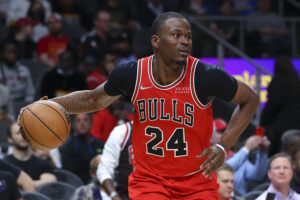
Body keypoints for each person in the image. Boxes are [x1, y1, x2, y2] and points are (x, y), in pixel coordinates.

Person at [22, 12, 259, 199]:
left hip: (197, 181)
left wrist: (223, 146)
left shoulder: (206, 75)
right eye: (176, 35)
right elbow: (93, 99)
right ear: (156, 41)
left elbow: (251, 100)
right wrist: (52, 104)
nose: (185, 41)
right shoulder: (132, 74)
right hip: (150, 182)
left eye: (188, 36)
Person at [260, 57, 300, 156]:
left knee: (278, 155)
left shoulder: (277, 82)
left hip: (280, 129)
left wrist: (263, 121)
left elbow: (273, 104)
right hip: (297, 127)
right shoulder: (297, 82)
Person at [5, 122, 57, 187]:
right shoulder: (4, 164)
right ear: (10, 139)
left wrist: (24, 185)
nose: (23, 135)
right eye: (18, 133)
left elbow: (50, 182)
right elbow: (3, 187)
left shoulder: (42, 163)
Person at [60, 113, 104, 183]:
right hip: (78, 185)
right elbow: (68, 173)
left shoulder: (100, 144)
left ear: (91, 124)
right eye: (78, 120)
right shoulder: (69, 147)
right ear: (74, 126)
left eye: (85, 120)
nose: (82, 123)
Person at [98, 121, 133, 200]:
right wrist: (114, 195)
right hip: (126, 195)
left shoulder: (165, 130)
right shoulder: (123, 131)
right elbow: (104, 169)